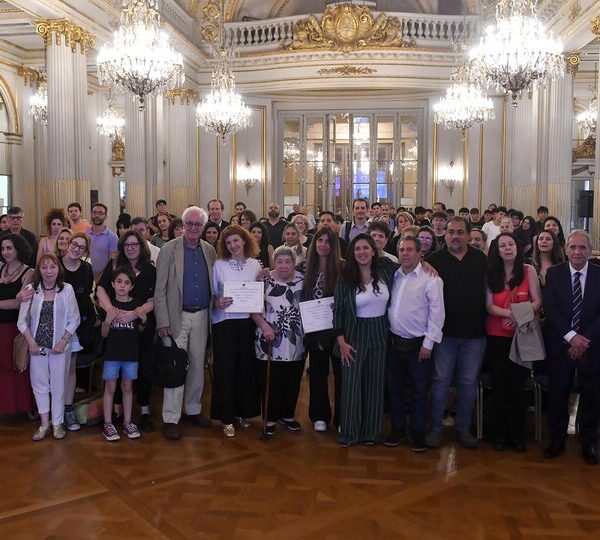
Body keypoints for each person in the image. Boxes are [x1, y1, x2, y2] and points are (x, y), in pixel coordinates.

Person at [425, 217, 488, 449]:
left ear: (468, 235)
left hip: (474, 334)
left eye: (460, 232)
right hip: (445, 334)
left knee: (468, 382)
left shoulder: (480, 259)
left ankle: (463, 427)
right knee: (440, 381)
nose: (454, 236)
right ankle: (436, 428)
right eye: (451, 232)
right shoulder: (434, 260)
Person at [155, 206, 215, 440]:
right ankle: (171, 417)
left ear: (203, 227)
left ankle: (192, 409)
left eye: (197, 224)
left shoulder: (209, 250)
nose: (193, 228)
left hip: (202, 315)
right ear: (182, 225)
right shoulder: (169, 249)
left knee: (197, 364)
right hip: (175, 316)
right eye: (189, 224)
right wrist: (162, 320)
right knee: (174, 367)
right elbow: (159, 290)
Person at [543, 230, 600, 465]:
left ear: (590, 250)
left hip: (591, 346)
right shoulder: (554, 274)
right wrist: (570, 337)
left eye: (582, 248)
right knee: (558, 394)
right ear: (565, 249)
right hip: (561, 345)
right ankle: (557, 440)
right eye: (573, 247)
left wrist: (583, 340)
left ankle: (588, 441)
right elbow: (551, 309)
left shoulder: (599, 274)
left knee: (591, 395)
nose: (577, 252)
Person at [334, 234, 394, 447]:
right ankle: (349, 433)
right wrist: (341, 341)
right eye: (357, 248)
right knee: (351, 386)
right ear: (352, 252)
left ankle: (371, 433)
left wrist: (427, 264)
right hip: (353, 334)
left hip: (380, 331)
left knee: (375, 385)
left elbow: (410, 264)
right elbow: (339, 312)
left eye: (366, 248)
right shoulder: (345, 277)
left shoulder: (386, 269)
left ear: (373, 250)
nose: (362, 252)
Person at [385, 237, 444, 451]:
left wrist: (428, 344)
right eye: (402, 250)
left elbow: (437, 315)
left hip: (419, 345)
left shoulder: (431, 279)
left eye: (410, 250)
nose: (405, 253)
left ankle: (418, 434)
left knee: (419, 392)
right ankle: (398, 430)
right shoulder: (394, 275)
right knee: (395, 390)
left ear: (420, 253)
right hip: (394, 342)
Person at [485, 233, 542, 452]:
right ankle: (498, 435)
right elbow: (489, 305)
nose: (507, 248)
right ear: (497, 250)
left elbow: (538, 300)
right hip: (497, 336)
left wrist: (520, 316)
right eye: (502, 245)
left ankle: (517, 435)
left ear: (517, 248)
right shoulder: (491, 273)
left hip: (522, 336)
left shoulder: (529, 271)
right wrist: (510, 314)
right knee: (499, 387)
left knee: (518, 388)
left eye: (510, 244)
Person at [96, 230, 156, 431]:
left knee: (144, 366)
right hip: (116, 326)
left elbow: (155, 297)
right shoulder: (114, 266)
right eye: (126, 245)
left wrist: (136, 313)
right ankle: (117, 410)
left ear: (141, 246)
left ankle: (144, 410)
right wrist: (111, 310)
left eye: (135, 244)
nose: (130, 248)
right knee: (117, 367)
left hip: (140, 323)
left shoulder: (150, 269)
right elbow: (101, 289)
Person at [17, 253, 80, 441]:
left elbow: (74, 319)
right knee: (39, 386)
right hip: (37, 347)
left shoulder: (67, 289)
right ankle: (44, 424)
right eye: (44, 267)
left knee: (59, 385)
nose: (48, 271)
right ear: (39, 270)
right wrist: (31, 343)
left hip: (59, 347)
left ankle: (57, 424)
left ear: (58, 269)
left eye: (52, 267)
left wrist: (63, 341)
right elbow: (22, 322)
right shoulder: (31, 289)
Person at [211, 225, 262, 437]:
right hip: (224, 322)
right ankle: (226, 417)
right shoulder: (219, 265)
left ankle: (242, 412)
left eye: (236, 241)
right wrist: (217, 302)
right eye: (229, 242)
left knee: (245, 368)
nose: (233, 245)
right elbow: (213, 293)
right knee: (226, 369)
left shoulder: (255, 265)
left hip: (247, 322)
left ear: (244, 241)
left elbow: (259, 292)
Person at [252, 246, 305, 438]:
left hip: (295, 338)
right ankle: (270, 419)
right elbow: (254, 307)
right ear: (274, 263)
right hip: (268, 336)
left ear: (294, 263)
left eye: (288, 261)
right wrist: (264, 326)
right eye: (280, 262)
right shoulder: (264, 279)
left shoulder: (302, 280)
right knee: (270, 380)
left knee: (292, 378)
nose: (284, 266)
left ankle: (287, 415)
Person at [100, 267, 147, 441]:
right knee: (110, 388)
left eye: (126, 283)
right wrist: (107, 320)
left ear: (131, 286)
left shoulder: (136, 305)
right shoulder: (108, 305)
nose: (122, 286)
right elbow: (104, 334)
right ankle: (108, 423)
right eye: (119, 282)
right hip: (112, 355)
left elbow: (142, 329)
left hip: (130, 355)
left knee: (127, 388)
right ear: (112, 284)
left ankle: (127, 421)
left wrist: (143, 318)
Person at [304, 227, 343, 431]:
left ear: (333, 245)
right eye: (320, 240)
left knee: (341, 374)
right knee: (318, 373)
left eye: (327, 241)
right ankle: (319, 415)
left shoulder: (343, 267)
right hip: (315, 329)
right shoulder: (306, 267)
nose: (323, 244)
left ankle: (342, 418)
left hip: (338, 330)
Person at [59, 233, 94, 431]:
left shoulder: (86, 268)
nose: (76, 248)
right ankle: (52, 409)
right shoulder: (54, 264)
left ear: (85, 251)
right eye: (74, 244)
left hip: (77, 323)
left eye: (81, 247)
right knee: (53, 368)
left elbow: (86, 295)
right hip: (55, 322)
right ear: (67, 244)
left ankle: (67, 408)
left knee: (70, 368)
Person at [0, 234, 34, 415]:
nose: (5, 252)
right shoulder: (0, 268)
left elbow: (20, 302)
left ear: (18, 249)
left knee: (18, 365)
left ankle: (25, 406)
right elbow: (13, 299)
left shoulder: (29, 272)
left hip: (15, 327)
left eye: (9, 248)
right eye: (3, 248)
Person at [88, 203, 118, 279]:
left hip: (104, 279)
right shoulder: (85, 234)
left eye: (100, 213)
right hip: (86, 277)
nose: (97, 215)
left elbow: (111, 263)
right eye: (94, 212)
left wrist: (99, 280)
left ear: (105, 217)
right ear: (91, 214)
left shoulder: (112, 237)